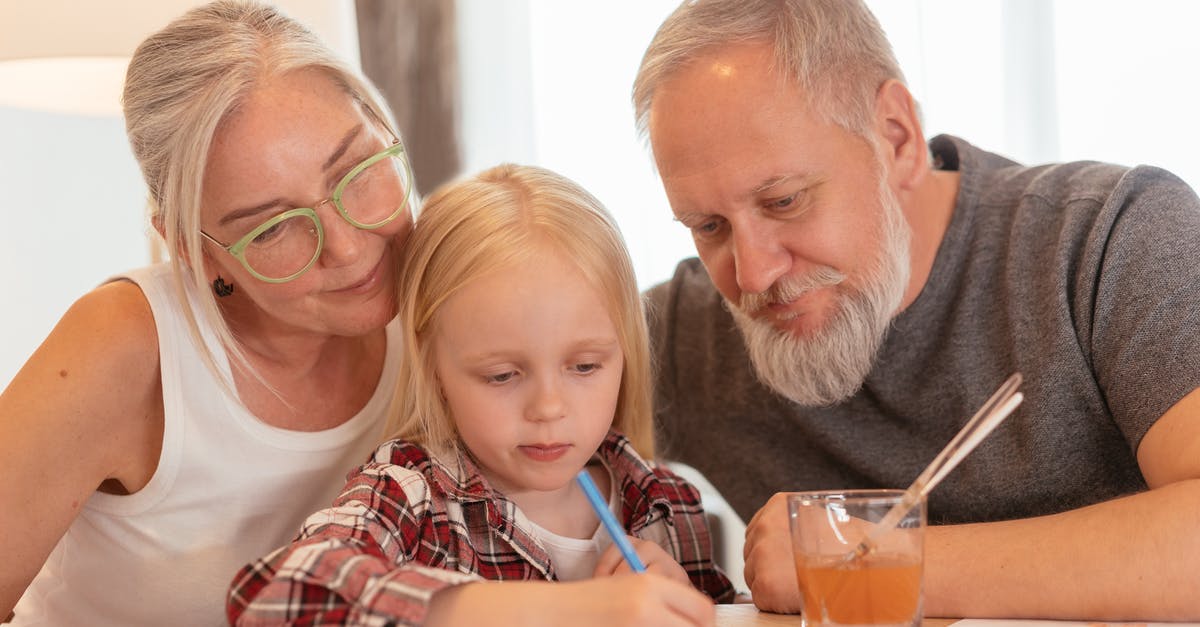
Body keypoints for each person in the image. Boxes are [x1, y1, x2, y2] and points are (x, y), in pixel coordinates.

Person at [632, 0, 1200, 620]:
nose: (752, 275)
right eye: (708, 225)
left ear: (896, 138)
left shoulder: (1112, 238)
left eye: (784, 200)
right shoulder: (690, 332)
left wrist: (864, 560)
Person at [0, 1, 417, 624]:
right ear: (194, 252)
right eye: (274, 228)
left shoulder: (449, 291)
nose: (351, 248)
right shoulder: (128, 345)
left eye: (358, 170)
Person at [226, 163, 735, 626]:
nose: (549, 408)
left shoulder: (666, 502)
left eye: (584, 366)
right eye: (501, 376)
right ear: (433, 366)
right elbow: (276, 597)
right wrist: (563, 611)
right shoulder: (409, 497)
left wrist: (690, 603)